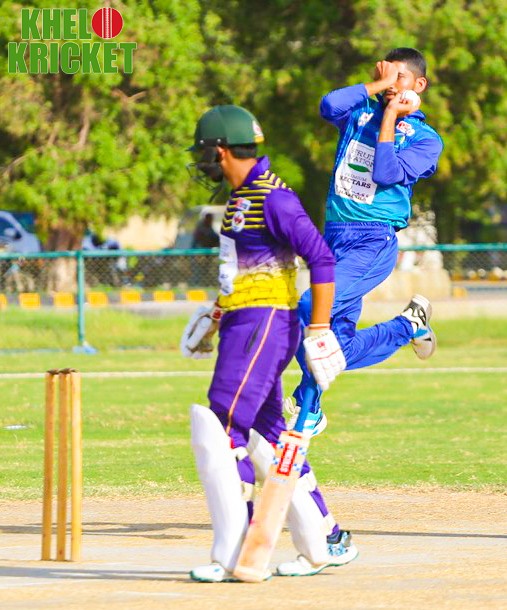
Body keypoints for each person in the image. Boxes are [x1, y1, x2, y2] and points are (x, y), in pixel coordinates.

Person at [181, 104, 358, 582]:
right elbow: (241, 272)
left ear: (221, 151)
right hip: (245, 322)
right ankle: (321, 543)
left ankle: (234, 556)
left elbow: (321, 258)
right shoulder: (243, 197)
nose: (202, 162)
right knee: (271, 437)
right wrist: (215, 318)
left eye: (204, 152)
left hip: (264, 324)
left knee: (222, 424)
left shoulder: (273, 197)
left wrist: (319, 330)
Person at [287, 47, 444, 433]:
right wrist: (376, 87)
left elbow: (386, 173)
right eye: (386, 75)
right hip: (334, 239)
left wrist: (390, 115)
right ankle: (407, 326)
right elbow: (328, 105)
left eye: (400, 78)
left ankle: (308, 406)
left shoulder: (426, 139)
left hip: (372, 242)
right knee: (336, 347)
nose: (391, 85)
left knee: (309, 307)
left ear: (419, 85)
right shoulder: (360, 111)